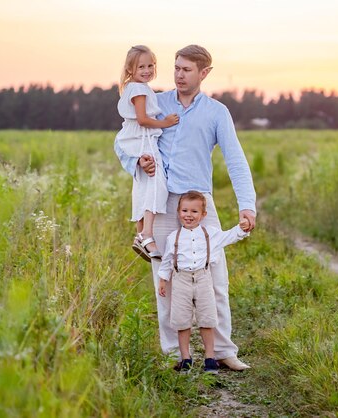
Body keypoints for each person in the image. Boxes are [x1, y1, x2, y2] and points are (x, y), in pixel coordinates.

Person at [115, 44, 256, 370]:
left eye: (187, 69)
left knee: (216, 279)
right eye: (176, 68)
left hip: (200, 204)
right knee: (164, 281)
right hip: (162, 205)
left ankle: (223, 350)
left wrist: (246, 206)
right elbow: (123, 139)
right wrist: (138, 161)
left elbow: (235, 160)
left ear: (204, 73)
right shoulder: (155, 102)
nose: (178, 74)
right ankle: (174, 355)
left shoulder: (217, 112)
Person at [158, 191, 250, 373]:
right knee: (182, 321)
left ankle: (210, 358)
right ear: (178, 212)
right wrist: (163, 280)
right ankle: (185, 358)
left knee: (207, 319)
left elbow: (229, 236)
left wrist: (242, 228)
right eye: (185, 210)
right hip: (181, 280)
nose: (188, 215)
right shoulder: (173, 237)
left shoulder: (210, 234)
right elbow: (168, 260)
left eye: (194, 211)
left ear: (203, 215)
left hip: (203, 278)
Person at [114, 45, 180, 261]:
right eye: (141, 66)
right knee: (156, 185)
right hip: (144, 139)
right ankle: (147, 235)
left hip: (137, 138)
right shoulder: (140, 89)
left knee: (144, 185)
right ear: (130, 69)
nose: (147, 70)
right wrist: (165, 123)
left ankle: (140, 234)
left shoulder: (134, 88)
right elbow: (142, 119)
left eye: (150, 65)